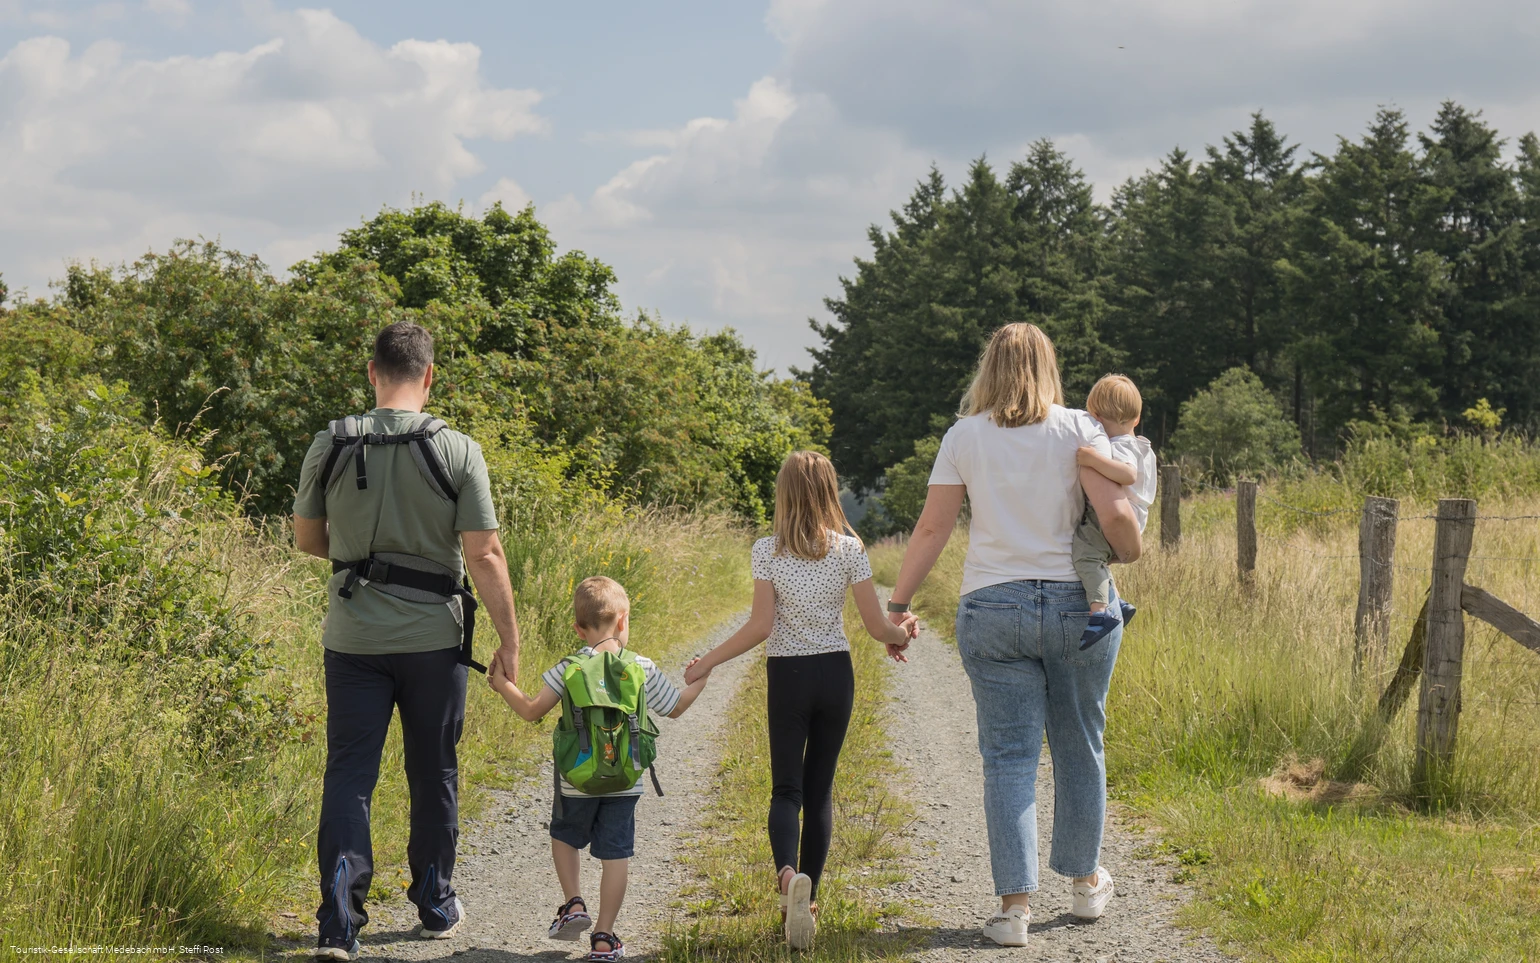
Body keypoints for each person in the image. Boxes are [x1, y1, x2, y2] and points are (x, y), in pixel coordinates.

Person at [883, 323, 1143, 948]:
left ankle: (1013, 911)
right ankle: (1085, 887)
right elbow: (1112, 514)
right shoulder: (1081, 427)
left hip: (992, 607)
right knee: (1081, 742)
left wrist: (897, 604)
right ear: (1049, 367)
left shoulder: (964, 435)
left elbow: (930, 530)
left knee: (1008, 757)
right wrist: (1130, 550)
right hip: (1077, 606)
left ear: (988, 369)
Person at [293, 322, 523, 960]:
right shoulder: (459, 450)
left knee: (349, 774)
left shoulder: (330, 442)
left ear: (372, 373)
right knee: (433, 770)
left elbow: (307, 540)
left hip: (353, 638)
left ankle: (339, 922)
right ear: (429, 376)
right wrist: (509, 639)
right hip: (433, 641)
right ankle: (434, 901)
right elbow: (485, 553)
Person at [683, 451, 917, 950]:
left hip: (787, 674)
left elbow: (759, 627)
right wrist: (903, 631)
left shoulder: (767, 550)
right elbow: (878, 628)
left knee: (786, 790)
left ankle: (789, 878)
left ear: (784, 494)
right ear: (831, 491)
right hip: (836, 673)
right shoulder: (850, 548)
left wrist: (707, 661)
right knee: (821, 790)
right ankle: (808, 903)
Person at [486, 576, 708, 963]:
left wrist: (501, 683)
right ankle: (604, 938)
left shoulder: (570, 667)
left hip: (577, 781)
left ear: (578, 628)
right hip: (625, 780)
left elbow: (531, 710)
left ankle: (573, 904)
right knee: (615, 855)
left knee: (564, 836)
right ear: (623, 621)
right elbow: (675, 706)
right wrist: (702, 677)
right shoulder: (640, 666)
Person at [1070, 374, 1158, 650]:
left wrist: (1093, 459)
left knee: (1085, 556)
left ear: (1095, 416)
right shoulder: (1141, 445)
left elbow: (1127, 474)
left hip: (1120, 514)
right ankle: (1116, 602)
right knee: (1099, 560)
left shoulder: (1121, 446)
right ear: (1137, 416)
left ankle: (1100, 613)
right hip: (1134, 516)